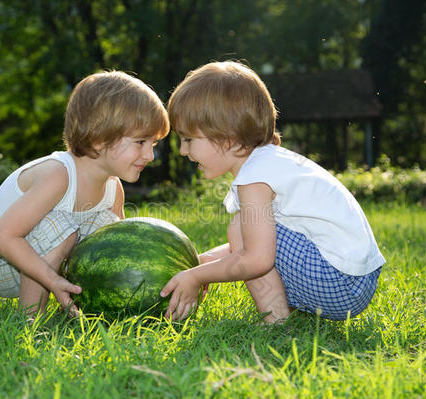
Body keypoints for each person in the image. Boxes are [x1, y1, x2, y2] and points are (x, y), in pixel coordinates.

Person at [160, 61, 385, 323]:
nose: (182, 151)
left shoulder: (254, 178)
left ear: (227, 137)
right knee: (246, 228)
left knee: (240, 225)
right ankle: (282, 315)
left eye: (188, 139)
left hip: (337, 282)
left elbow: (257, 258)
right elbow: (263, 240)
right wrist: (205, 263)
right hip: (356, 281)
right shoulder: (270, 163)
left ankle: (275, 323)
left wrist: (197, 276)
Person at [0, 71, 169, 316]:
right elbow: (3, 237)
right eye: (140, 142)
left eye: (154, 144)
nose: (149, 155)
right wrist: (52, 281)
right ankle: (30, 320)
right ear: (98, 138)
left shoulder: (113, 187)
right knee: (62, 226)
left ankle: (81, 309)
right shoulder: (58, 175)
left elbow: (118, 253)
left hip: (41, 258)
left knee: (110, 227)